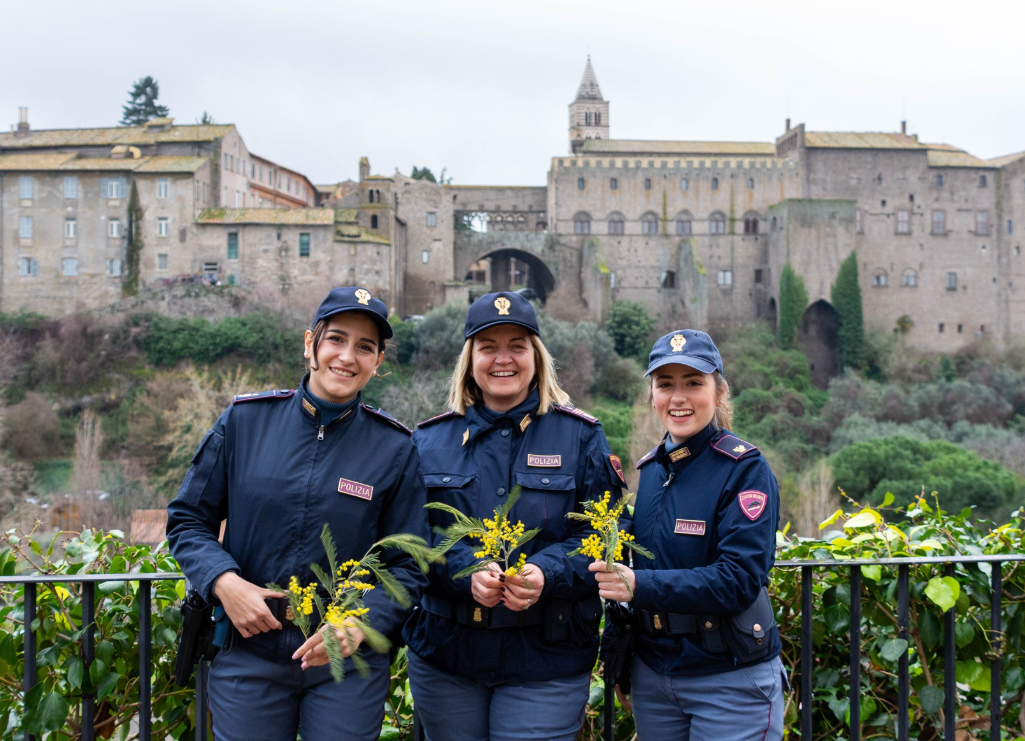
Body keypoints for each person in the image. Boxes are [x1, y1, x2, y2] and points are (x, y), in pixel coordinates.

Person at [166, 286, 429, 741]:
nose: (347, 357)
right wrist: (224, 583)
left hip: (346, 666)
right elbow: (188, 519)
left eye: (365, 347)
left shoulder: (395, 448)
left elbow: (408, 565)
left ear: (378, 362)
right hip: (248, 653)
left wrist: (360, 623)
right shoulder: (245, 422)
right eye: (337, 340)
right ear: (310, 344)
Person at [404, 291, 627, 741]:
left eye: (517, 346)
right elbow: (408, 538)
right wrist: (467, 572)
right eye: (488, 347)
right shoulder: (429, 440)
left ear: (536, 357)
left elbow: (607, 536)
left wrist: (544, 573)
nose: (502, 359)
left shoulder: (580, 436)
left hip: (548, 657)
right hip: (448, 657)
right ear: (470, 359)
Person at [590, 329, 785, 741]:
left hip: (727, 678)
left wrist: (638, 584)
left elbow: (738, 580)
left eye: (693, 383)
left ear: (719, 391)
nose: (678, 398)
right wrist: (621, 660)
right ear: (653, 396)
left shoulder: (745, 469)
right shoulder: (653, 469)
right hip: (655, 677)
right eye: (665, 385)